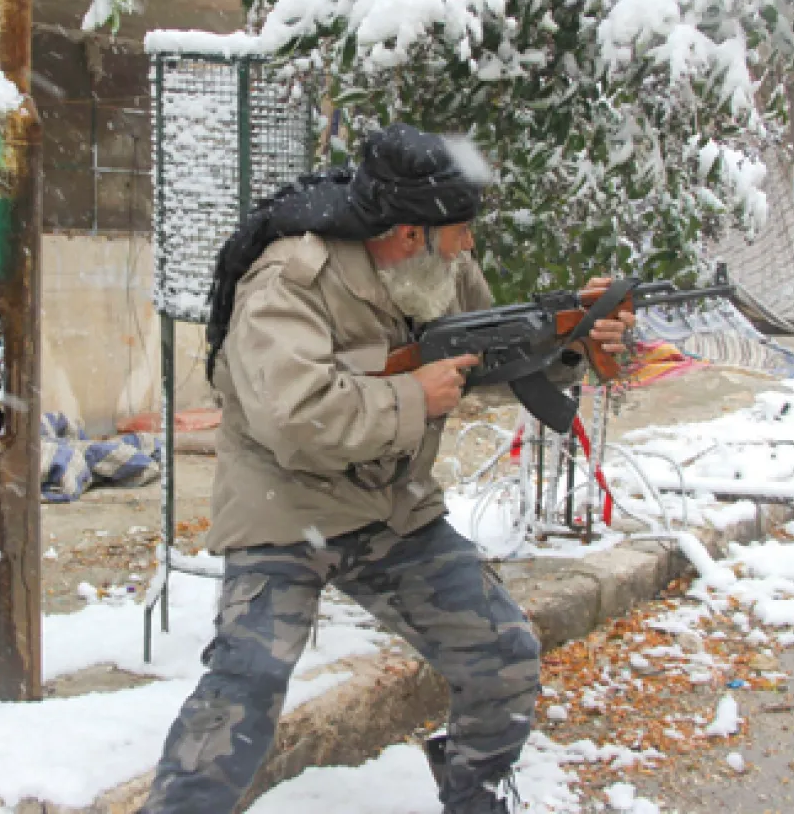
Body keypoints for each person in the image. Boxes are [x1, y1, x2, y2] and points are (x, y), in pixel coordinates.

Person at [140, 124, 634, 814]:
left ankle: (475, 795)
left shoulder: (440, 265)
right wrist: (413, 398)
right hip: (285, 507)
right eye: (460, 233)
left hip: (393, 510)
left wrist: (573, 336)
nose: (469, 247)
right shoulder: (290, 280)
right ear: (407, 233)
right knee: (244, 686)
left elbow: (490, 354)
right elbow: (293, 418)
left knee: (503, 653)